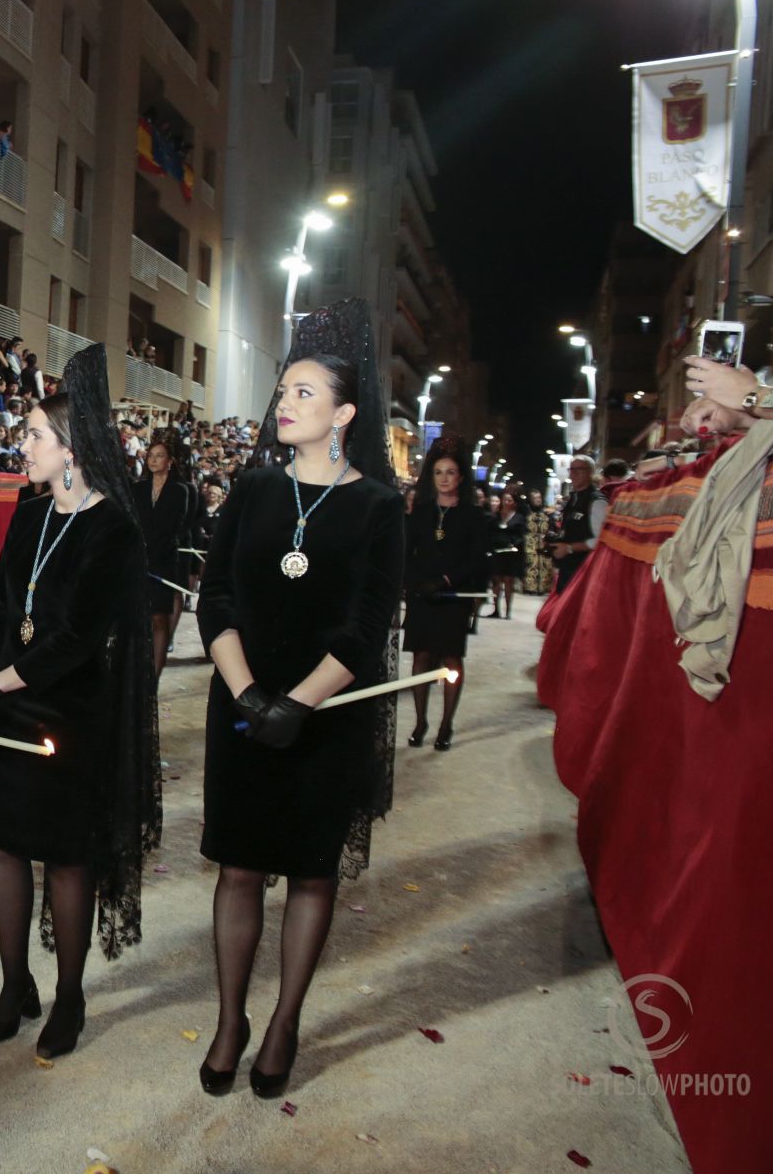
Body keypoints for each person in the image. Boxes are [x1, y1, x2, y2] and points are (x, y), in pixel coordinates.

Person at [194, 301, 404, 1099]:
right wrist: (248, 691)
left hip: (326, 716)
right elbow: (215, 599)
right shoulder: (251, 490)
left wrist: (301, 704)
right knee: (240, 869)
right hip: (243, 706)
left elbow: (367, 626)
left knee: (312, 874)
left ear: (345, 414)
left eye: (306, 393)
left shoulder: (379, 509)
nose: (285, 402)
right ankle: (229, 1020)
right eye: (284, 390)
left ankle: (283, 1022)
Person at [0, 343, 158, 1060]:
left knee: (68, 861)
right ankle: (16, 984)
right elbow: (4, 614)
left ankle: (69, 995)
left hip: (72, 716)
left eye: (36, 434)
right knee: (4, 848)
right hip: (10, 709)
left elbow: (74, 639)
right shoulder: (32, 516)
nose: (25, 444)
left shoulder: (115, 531)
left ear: (72, 449)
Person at [401, 449, 491, 750]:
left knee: (451, 658)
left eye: (450, 472)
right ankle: (420, 721)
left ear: (461, 478)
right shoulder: (421, 512)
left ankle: (445, 724)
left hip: (453, 595)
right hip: (422, 596)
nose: (444, 478)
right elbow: (406, 551)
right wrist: (416, 583)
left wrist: (445, 581)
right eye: (438, 472)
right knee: (421, 657)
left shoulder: (473, 515)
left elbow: (476, 560)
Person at [135, 439, 194, 679]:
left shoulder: (180, 490)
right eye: (151, 455)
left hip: (164, 560)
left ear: (169, 462)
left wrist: (153, 555)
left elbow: (176, 527)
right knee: (139, 619)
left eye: (159, 456)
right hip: (138, 561)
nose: (153, 459)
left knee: (159, 618)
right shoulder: (137, 488)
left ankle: (154, 678)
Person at [550, 456, 608, 594]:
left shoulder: (597, 501)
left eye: (579, 469)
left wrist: (569, 548)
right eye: (571, 469)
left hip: (584, 571)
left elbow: (601, 539)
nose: (573, 473)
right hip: (567, 569)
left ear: (591, 472)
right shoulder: (574, 498)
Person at [485, 488, 528, 620]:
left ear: (514, 503)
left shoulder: (519, 517)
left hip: (511, 554)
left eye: (509, 500)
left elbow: (522, 535)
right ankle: (496, 609)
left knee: (508, 581)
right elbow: (490, 531)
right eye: (505, 499)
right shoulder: (496, 516)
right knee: (496, 581)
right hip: (497, 552)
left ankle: (508, 610)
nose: (506, 502)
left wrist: (514, 543)